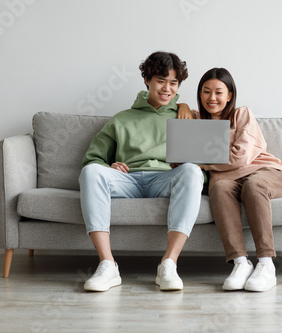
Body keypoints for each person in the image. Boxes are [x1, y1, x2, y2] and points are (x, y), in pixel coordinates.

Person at [79, 51, 204, 292]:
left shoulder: (184, 116)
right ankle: (107, 265)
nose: (167, 88)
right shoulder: (122, 119)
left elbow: (201, 167)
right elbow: (92, 160)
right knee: (92, 173)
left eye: (174, 83)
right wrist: (108, 166)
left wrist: (186, 111)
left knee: (192, 171)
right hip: (127, 180)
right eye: (161, 80)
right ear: (147, 80)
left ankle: (168, 264)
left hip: (164, 179)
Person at [196, 68, 282, 292]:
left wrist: (204, 163)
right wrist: (180, 106)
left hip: (264, 172)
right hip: (227, 181)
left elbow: (241, 156)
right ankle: (240, 263)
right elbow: (178, 152)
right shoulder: (195, 120)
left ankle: (266, 264)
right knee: (217, 189)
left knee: (253, 185)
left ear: (229, 95)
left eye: (219, 92)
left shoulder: (241, 114)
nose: (212, 98)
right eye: (206, 91)